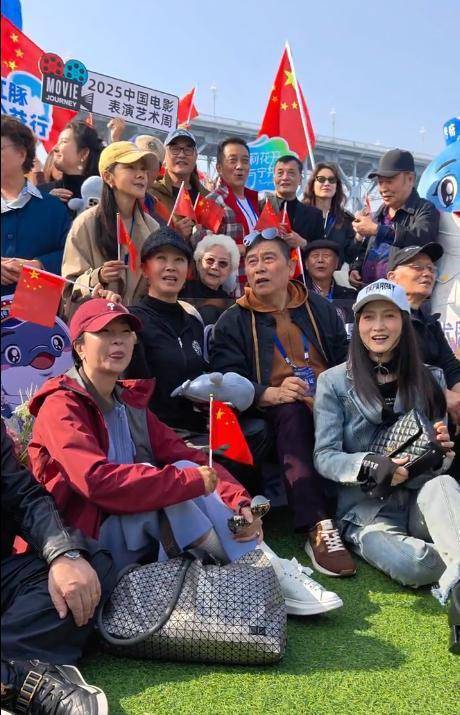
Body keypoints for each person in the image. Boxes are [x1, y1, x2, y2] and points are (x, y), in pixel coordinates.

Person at [26, 297, 342, 617]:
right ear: (80, 347)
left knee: (185, 469)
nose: (118, 341)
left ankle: (259, 571)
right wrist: (187, 481)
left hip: (128, 524)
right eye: (104, 333)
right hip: (82, 542)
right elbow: (96, 481)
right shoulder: (61, 404)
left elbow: (189, 456)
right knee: (178, 485)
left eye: (125, 332)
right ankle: (263, 575)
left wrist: (239, 502)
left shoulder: (129, 402)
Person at [210, 230, 356, 577]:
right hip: (277, 406)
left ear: (290, 267)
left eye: (268, 259)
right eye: (252, 262)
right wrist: (266, 393)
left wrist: (334, 389)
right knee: (291, 412)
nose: (258, 268)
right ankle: (317, 525)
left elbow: (345, 356)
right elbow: (226, 377)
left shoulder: (318, 307)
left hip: (331, 397)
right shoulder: (233, 319)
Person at [314, 279, 459, 604]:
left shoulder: (431, 377)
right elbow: (324, 456)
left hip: (421, 497)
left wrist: (441, 452)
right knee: (415, 566)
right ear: (357, 324)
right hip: (366, 511)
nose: (378, 326)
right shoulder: (332, 381)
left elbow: (439, 468)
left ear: (404, 322)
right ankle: (453, 548)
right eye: (369, 317)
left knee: (443, 486)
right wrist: (370, 464)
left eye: (389, 316)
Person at [1, 419, 116, 714]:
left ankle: (11, 663)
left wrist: (63, 554)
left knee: (88, 568)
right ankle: (13, 678)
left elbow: (23, 497)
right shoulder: (62, 406)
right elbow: (95, 478)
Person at [125, 227, 208, 434]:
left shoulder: (194, 323)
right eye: (161, 258)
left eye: (179, 260)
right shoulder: (132, 321)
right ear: (144, 269)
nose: (170, 267)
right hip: (154, 435)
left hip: (199, 431)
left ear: (188, 270)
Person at [61, 141, 159, 313]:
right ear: (108, 177)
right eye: (130, 167)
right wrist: (97, 276)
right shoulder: (85, 223)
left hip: (139, 321)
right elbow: (69, 285)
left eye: (143, 169)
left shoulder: (153, 227)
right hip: (98, 319)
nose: (141, 175)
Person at [387, 243, 460, 425]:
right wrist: (442, 394)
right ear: (392, 278)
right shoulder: (383, 319)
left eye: (431, 268)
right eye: (417, 267)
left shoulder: (430, 322)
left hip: (437, 419)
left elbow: (450, 366)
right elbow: (390, 366)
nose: (427, 273)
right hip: (400, 421)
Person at [1, 116, 71, 296]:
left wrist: (40, 265)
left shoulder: (53, 208)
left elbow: (72, 256)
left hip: (36, 308)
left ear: (21, 154)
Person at [349, 149, 440, 287]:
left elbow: (422, 239)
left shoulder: (425, 209)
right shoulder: (380, 213)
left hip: (401, 294)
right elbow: (366, 249)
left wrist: (378, 230)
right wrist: (356, 268)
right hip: (369, 292)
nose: (383, 189)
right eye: (380, 182)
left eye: (389, 181)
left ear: (410, 179)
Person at [205, 137, 260, 294]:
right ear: (219, 167)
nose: (239, 166)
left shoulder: (256, 201)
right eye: (232, 160)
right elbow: (204, 247)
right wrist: (241, 248)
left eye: (245, 161)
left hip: (257, 288)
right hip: (230, 293)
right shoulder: (213, 201)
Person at [150, 128, 207, 241]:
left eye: (188, 149)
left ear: (196, 156)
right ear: (165, 156)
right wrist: (175, 234)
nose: (181, 155)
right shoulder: (152, 194)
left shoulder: (208, 197)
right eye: (175, 149)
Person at [302, 162, 359, 275]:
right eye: (321, 179)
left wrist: (359, 237)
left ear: (337, 186)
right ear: (312, 184)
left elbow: (350, 256)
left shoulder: (346, 220)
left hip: (333, 280)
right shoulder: (300, 214)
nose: (327, 183)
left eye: (332, 180)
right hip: (303, 278)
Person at [180, 233, 239, 324]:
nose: (215, 267)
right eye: (210, 260)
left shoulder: (230, 304)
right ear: (199, 262)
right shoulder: (182, 290)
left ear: (230, 270)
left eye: (223, 263)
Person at [39, 121, 104, 204]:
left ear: (83, 153)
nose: (55, 148)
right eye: (57, 142)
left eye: (63, 142)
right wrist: (46, 204)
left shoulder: (105, 194)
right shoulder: (41, 193)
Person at [266, 155, 323, 249]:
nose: (285, 178)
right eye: (280, 173)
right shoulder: (260, 207)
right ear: (273, 178)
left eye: (291, 173)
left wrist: (303, 243)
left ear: (300, 179)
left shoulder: (314, 215)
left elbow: (320, 250)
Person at [304, 240, 356, 326]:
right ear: (306, 264)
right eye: (315, 256)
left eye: (326, 256)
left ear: (336, 263)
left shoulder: (350, 296)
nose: (320, 260)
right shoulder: (298, 296)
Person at [134, 134, 167, 223]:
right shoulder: (104, 195)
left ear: (159, 171)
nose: (144, 172)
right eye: (140, 161)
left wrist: (176, 229)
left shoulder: (158, 208)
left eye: (152, 165)